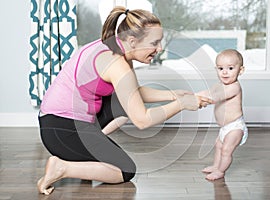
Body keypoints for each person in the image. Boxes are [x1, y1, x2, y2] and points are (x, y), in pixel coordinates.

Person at [37, 6, 213, 195]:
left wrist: (174, 95)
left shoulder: (113, 47)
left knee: (122, 104)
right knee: (125, 169)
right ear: (132, 41)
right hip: (61, 131)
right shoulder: (117, 63)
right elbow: (142, 120)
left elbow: (131, 92)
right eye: (155, 43)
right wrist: (182, 104)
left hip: (57, 123)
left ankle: (88, 155)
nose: (160, 49)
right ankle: (63, 168)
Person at [196, 49, 248, 181]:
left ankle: (220, 171)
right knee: (218, 146)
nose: (225, 72)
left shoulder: (234, 87)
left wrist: (205, 99)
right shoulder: (219, 84)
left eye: (230, 68)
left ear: (240, 70)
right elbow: (208, 91)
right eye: (220, 68)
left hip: (235, 127)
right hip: (224, 128)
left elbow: (216, 97)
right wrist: (194, 95)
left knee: (226, 150)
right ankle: (215, 166)